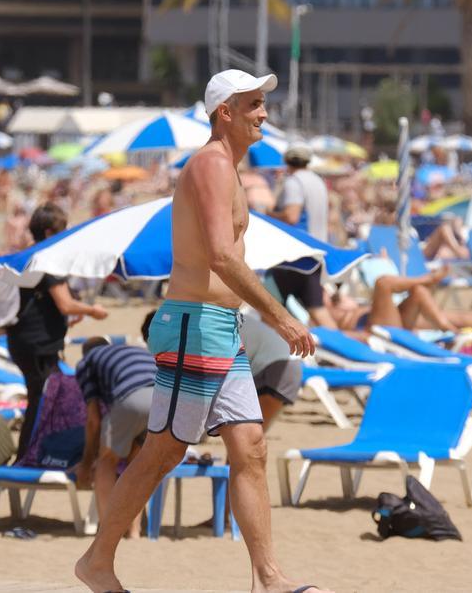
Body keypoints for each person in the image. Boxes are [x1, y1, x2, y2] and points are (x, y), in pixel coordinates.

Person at [76, 69, 323, 593]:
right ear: (224, 113)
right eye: (253, 103)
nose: (263, 112)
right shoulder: (211, 164)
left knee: (250, 446)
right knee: (164, 451)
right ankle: (97, 561)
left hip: (221, 327)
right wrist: (279, 316)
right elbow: (219, 254)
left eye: (263, 103)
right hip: (194, 325)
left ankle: (268, 577)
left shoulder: (229, 168)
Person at [9, 203, 108, 460]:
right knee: (41, 401)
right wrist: (92, 310)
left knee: (41, 398)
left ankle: (32, 453)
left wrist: (63, 321)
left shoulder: (29, 256)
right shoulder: (48, 259)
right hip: (38, 345)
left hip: (23, 341)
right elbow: (65, 303)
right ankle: (27, 457)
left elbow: (40, 304)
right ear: (51, 231)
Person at [72, 313, 159, 540]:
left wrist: (86, 463)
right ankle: (134, 531)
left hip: (132, 396)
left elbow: (93, 420)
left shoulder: (87, 362)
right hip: (164, 399)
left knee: (107, 462)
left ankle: (108, 531)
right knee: (136, 464)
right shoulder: (135, 351)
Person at [327, 264, 472, 337]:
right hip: (374, 332)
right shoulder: (319, 310)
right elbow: (331, 335)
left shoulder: (328, 297)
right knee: (383, 283)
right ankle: (427, 279)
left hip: (388, 320)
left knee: (421, 293)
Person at [267, 144, 338, 331]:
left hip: (294, 255)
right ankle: (344, 346)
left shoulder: (294, 182)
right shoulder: (318, 181)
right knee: (317, 309)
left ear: (287, 161)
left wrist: (268, 214)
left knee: (268, 307)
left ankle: (274, 352)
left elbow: (292, 216)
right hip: (314, 252)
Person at [238, 310, 302, 430]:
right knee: (251, 436)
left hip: (279, 368)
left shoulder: (227, 325)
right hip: (285, 364)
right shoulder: (238, 320)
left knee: (251, 435)